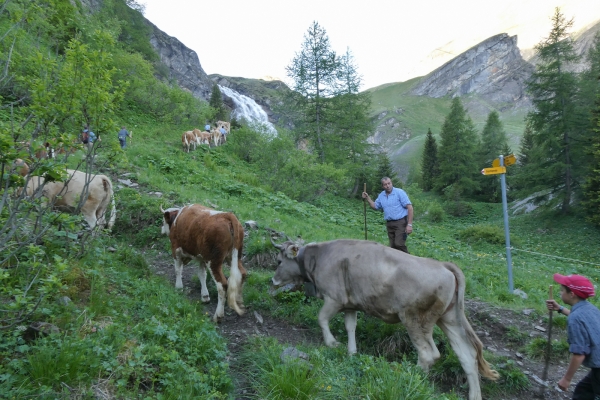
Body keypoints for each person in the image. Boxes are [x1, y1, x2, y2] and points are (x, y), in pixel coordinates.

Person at [546, 273, 600, 398]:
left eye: (562, 290)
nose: (560, 293)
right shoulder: (591, 309)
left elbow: (579, 354)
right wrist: (560, 309)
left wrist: (566, 379)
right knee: (583, 392)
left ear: (572, 294)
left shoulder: (575, 318)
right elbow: (582, 320)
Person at [362, 177, 413, 253]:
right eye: (385, 184)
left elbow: (410, 208)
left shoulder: (399, 192)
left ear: (391, 183)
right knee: (392, 247)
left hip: (401, 222)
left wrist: (409, 224)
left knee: (399, 244)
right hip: (389, 223)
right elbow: (375, 206)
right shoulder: (381, 195)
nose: (388, 186)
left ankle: (409, 260)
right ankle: (395, 263)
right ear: (382, 186)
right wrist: (367, 198)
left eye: (389, 183)